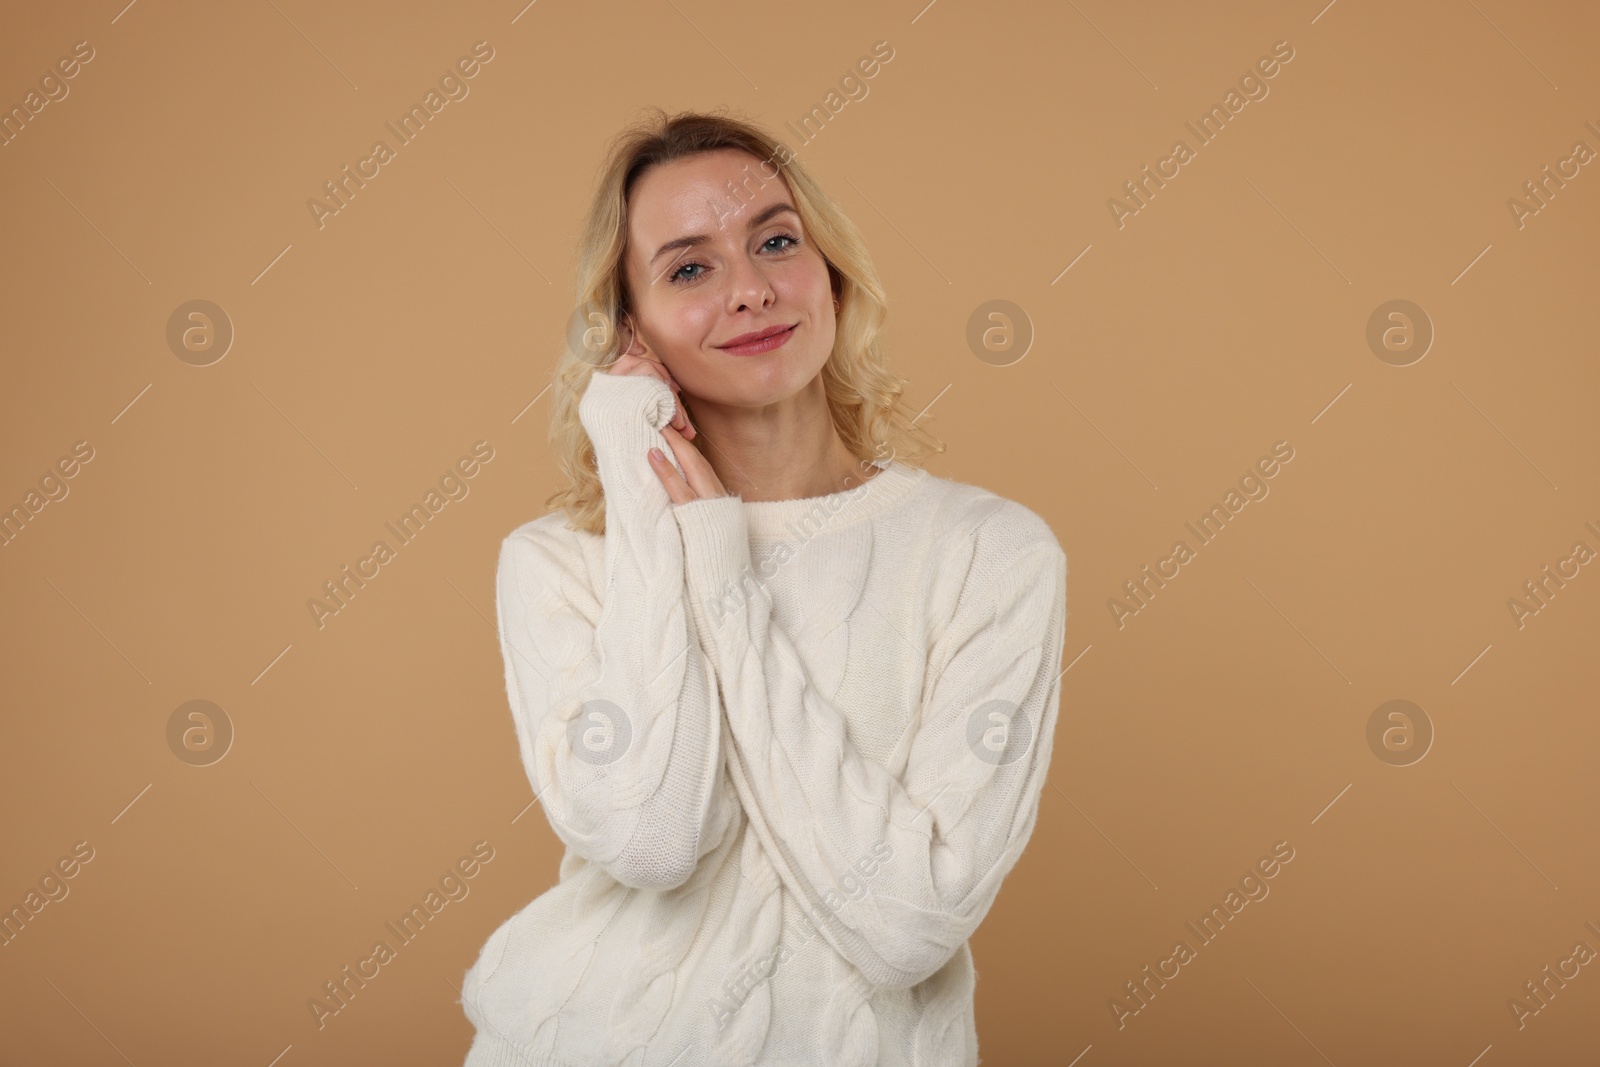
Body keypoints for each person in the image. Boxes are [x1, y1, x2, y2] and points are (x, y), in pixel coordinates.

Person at [459, 107, 1068, 1067]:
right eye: (689, 268)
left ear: (830, 271)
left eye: (776, 241)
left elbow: (906, 925)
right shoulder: (558, 564)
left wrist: (723, 565)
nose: (750, 290)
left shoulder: (987, 552)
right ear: (631, 332)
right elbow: (655, 836)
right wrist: (651, 496)